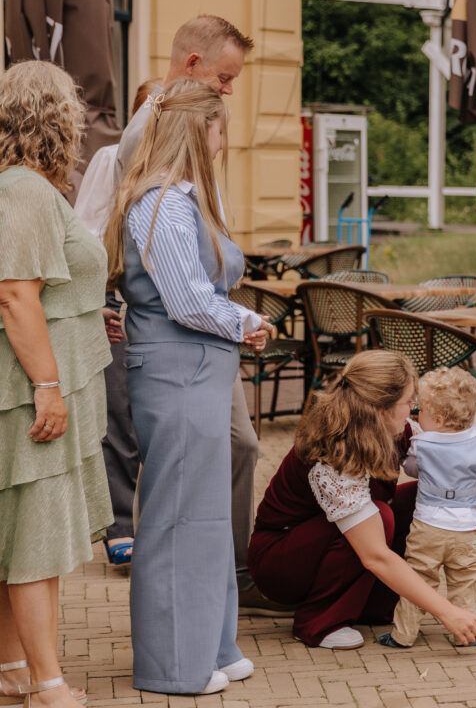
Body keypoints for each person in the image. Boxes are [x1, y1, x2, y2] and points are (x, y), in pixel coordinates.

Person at [104, 79, 273, 695]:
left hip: (197, 370)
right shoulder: (161, 205)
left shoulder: (184, 199)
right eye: (221, 127)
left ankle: (212, 644)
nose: (226, 140)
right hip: (177, 371)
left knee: (203, 515)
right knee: (177, 517)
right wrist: (247, 321)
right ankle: (173, 663)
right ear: (201, 131)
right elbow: (185, 299)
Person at [247, 352, 476, 650]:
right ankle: (316, 621)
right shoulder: (334, 453)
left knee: (422, 493)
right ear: (382, 410)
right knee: (382, 516)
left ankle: (369, 605)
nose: (413, 411)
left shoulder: (399, 430)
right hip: (282, 559)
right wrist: (447, 611)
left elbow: (456, 486)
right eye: (408, 402)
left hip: (329, 542)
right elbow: (375, 555)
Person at [0, 61, 111, 708]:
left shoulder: (27, 189)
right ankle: (46, 683)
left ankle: (14, 667)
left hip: (37, 384)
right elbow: (15, 295)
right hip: (30, 393)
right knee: (37, 541)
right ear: (55, 118)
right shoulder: (24, 190)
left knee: (19, 537)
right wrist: (47, 384)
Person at [72, 78, 161, 567]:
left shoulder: (183, 166)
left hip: (162, 300)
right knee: (121, 416)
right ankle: (121, 527)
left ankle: (157, 524)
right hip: (116, 293)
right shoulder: (111, 160)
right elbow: (87, 232)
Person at [379, 367, 476, 649]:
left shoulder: (420, 444)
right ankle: (469, 634)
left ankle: (402, 635)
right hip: (466, 531)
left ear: (436, 418)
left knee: (419, 580)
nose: (417, 415)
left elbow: (411, 469)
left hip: (427, 529)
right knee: (465, 582)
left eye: (421, 411)